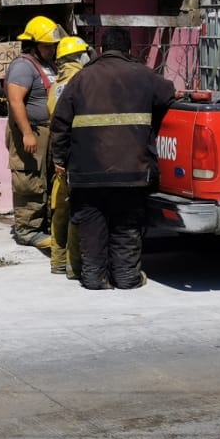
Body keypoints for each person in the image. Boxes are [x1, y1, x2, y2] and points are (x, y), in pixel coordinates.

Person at [49, 28, 176, 290]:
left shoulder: (82, 78)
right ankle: (127, 277)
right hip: (132, 169)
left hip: (87, 171)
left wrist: (60, 158)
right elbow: (168, 94)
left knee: (91, 224)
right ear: (128, 50)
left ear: (100, 49)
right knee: (126, 225)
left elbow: (60, 122)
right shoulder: (143, 75)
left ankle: (94, 278)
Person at [4, 15, 64, 249]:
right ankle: (27, 230)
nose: (51, 49)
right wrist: (27, 133)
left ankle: (44, 226)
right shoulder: (22, 66)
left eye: (53, 45)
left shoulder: (49, 65)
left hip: (48, 134)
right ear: (33, 44)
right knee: (29, 180)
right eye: (47, 45)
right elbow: (16, 101)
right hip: (31, 134)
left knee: (47, 181)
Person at [46, 35, 90, 280]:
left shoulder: (56, 85)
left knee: (60, 210)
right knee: (77, 209)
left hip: (59, 155)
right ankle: (74, 266)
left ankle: (58, 262)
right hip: (76, 153)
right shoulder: (80, 80)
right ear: (78, 56)